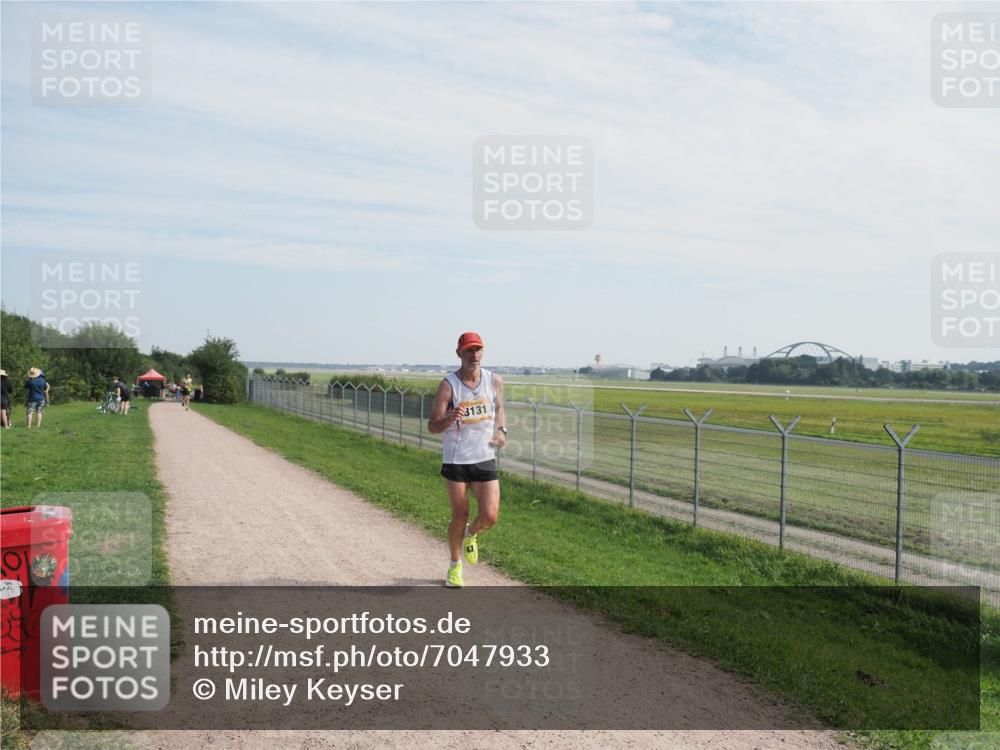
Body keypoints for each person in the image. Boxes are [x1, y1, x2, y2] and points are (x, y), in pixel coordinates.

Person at [427, 332, 506, 588]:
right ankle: (455, 567)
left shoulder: (494, 381)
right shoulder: (449, 385)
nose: (474, 355)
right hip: (457, 460)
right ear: (459, 353)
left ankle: (471, 535)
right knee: (460, 515)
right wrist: (450, 417)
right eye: (469, 350)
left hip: (484, 457)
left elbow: (500, 408)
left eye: (478, 350)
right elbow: (433, 426)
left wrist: (501, 431)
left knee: (490, 516)